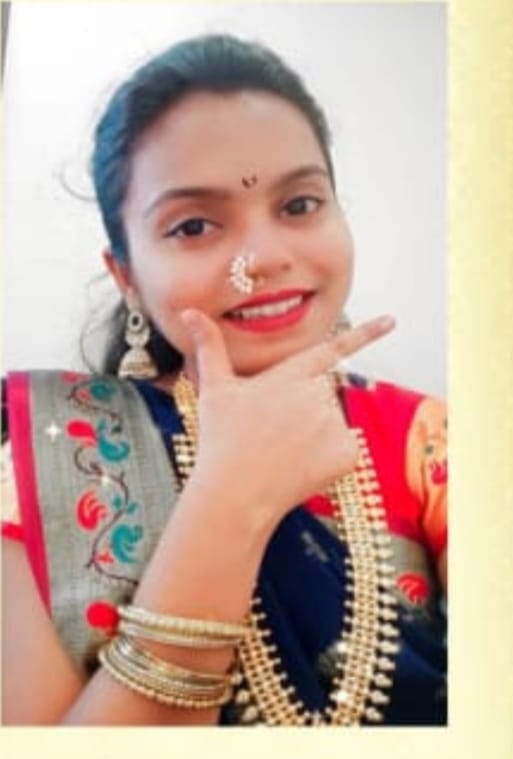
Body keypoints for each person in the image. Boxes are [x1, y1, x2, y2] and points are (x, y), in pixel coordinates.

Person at [1, 34, 447, 726]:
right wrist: (228, 502)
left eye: (299, 205)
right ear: (126, 275)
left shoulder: (429, 443)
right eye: (193, 226)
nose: (262, 258)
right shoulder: (49, 458)